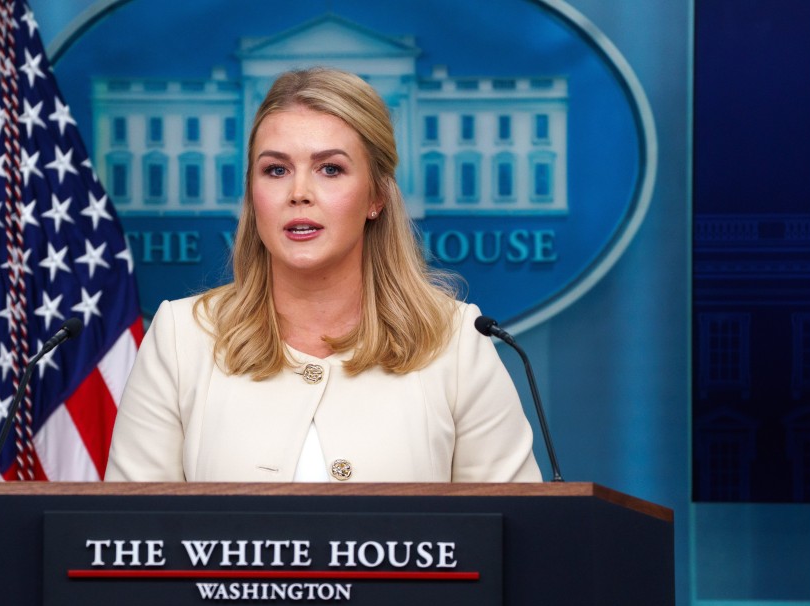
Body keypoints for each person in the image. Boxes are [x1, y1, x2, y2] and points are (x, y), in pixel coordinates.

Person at [105, 67, 542, 483]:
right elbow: (126, 540)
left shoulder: (456, 342)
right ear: (252, 194)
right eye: (276, 170)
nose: (298, 194)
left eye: (330, 169)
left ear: (376, 196)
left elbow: (514, 539)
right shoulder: (182, 337)